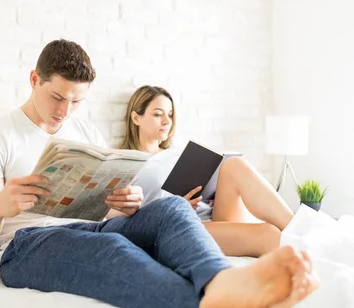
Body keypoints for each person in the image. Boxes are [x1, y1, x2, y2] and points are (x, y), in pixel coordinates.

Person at [0, 39, 318, 308]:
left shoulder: (83, 132)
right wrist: (0, 205)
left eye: (77, 101)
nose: (65, 110)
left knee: (170, 210)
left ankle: (220, 282)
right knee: (109, 247)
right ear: (35, 79)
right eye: (57, 97)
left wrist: (126, 204)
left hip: (88, 227)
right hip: (25, 248)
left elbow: (105, 211)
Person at [122, 85, 296, 257]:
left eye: (170, 115)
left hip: (211, 215)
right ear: (136, 118)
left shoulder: (178, 153)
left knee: (234, 164)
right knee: (269, 233)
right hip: (179, 224)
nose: (167, 121)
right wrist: (177, 206)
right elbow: (130, 220)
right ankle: (303, 242)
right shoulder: (126, 162)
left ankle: (298, 228)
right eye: (158, 114)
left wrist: (214, 193)